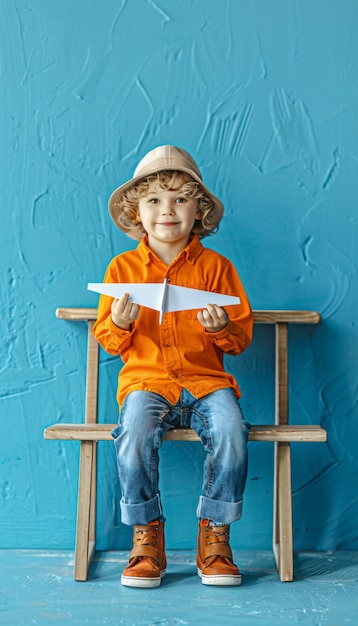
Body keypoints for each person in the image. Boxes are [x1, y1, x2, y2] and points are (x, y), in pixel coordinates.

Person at [93, 145, 253, 588]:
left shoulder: (218, 269)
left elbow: (239, 340)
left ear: (198, 211)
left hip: (206, 382)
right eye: (155, 201)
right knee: (133, 436)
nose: (168, 210)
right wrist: (120, 322)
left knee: (232, 432)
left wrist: (221, 328)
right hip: (146, 382)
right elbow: (107, 338)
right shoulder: (122, 269)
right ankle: (147, 538)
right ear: (136, 212)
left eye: (181, 199)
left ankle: (216, 535)